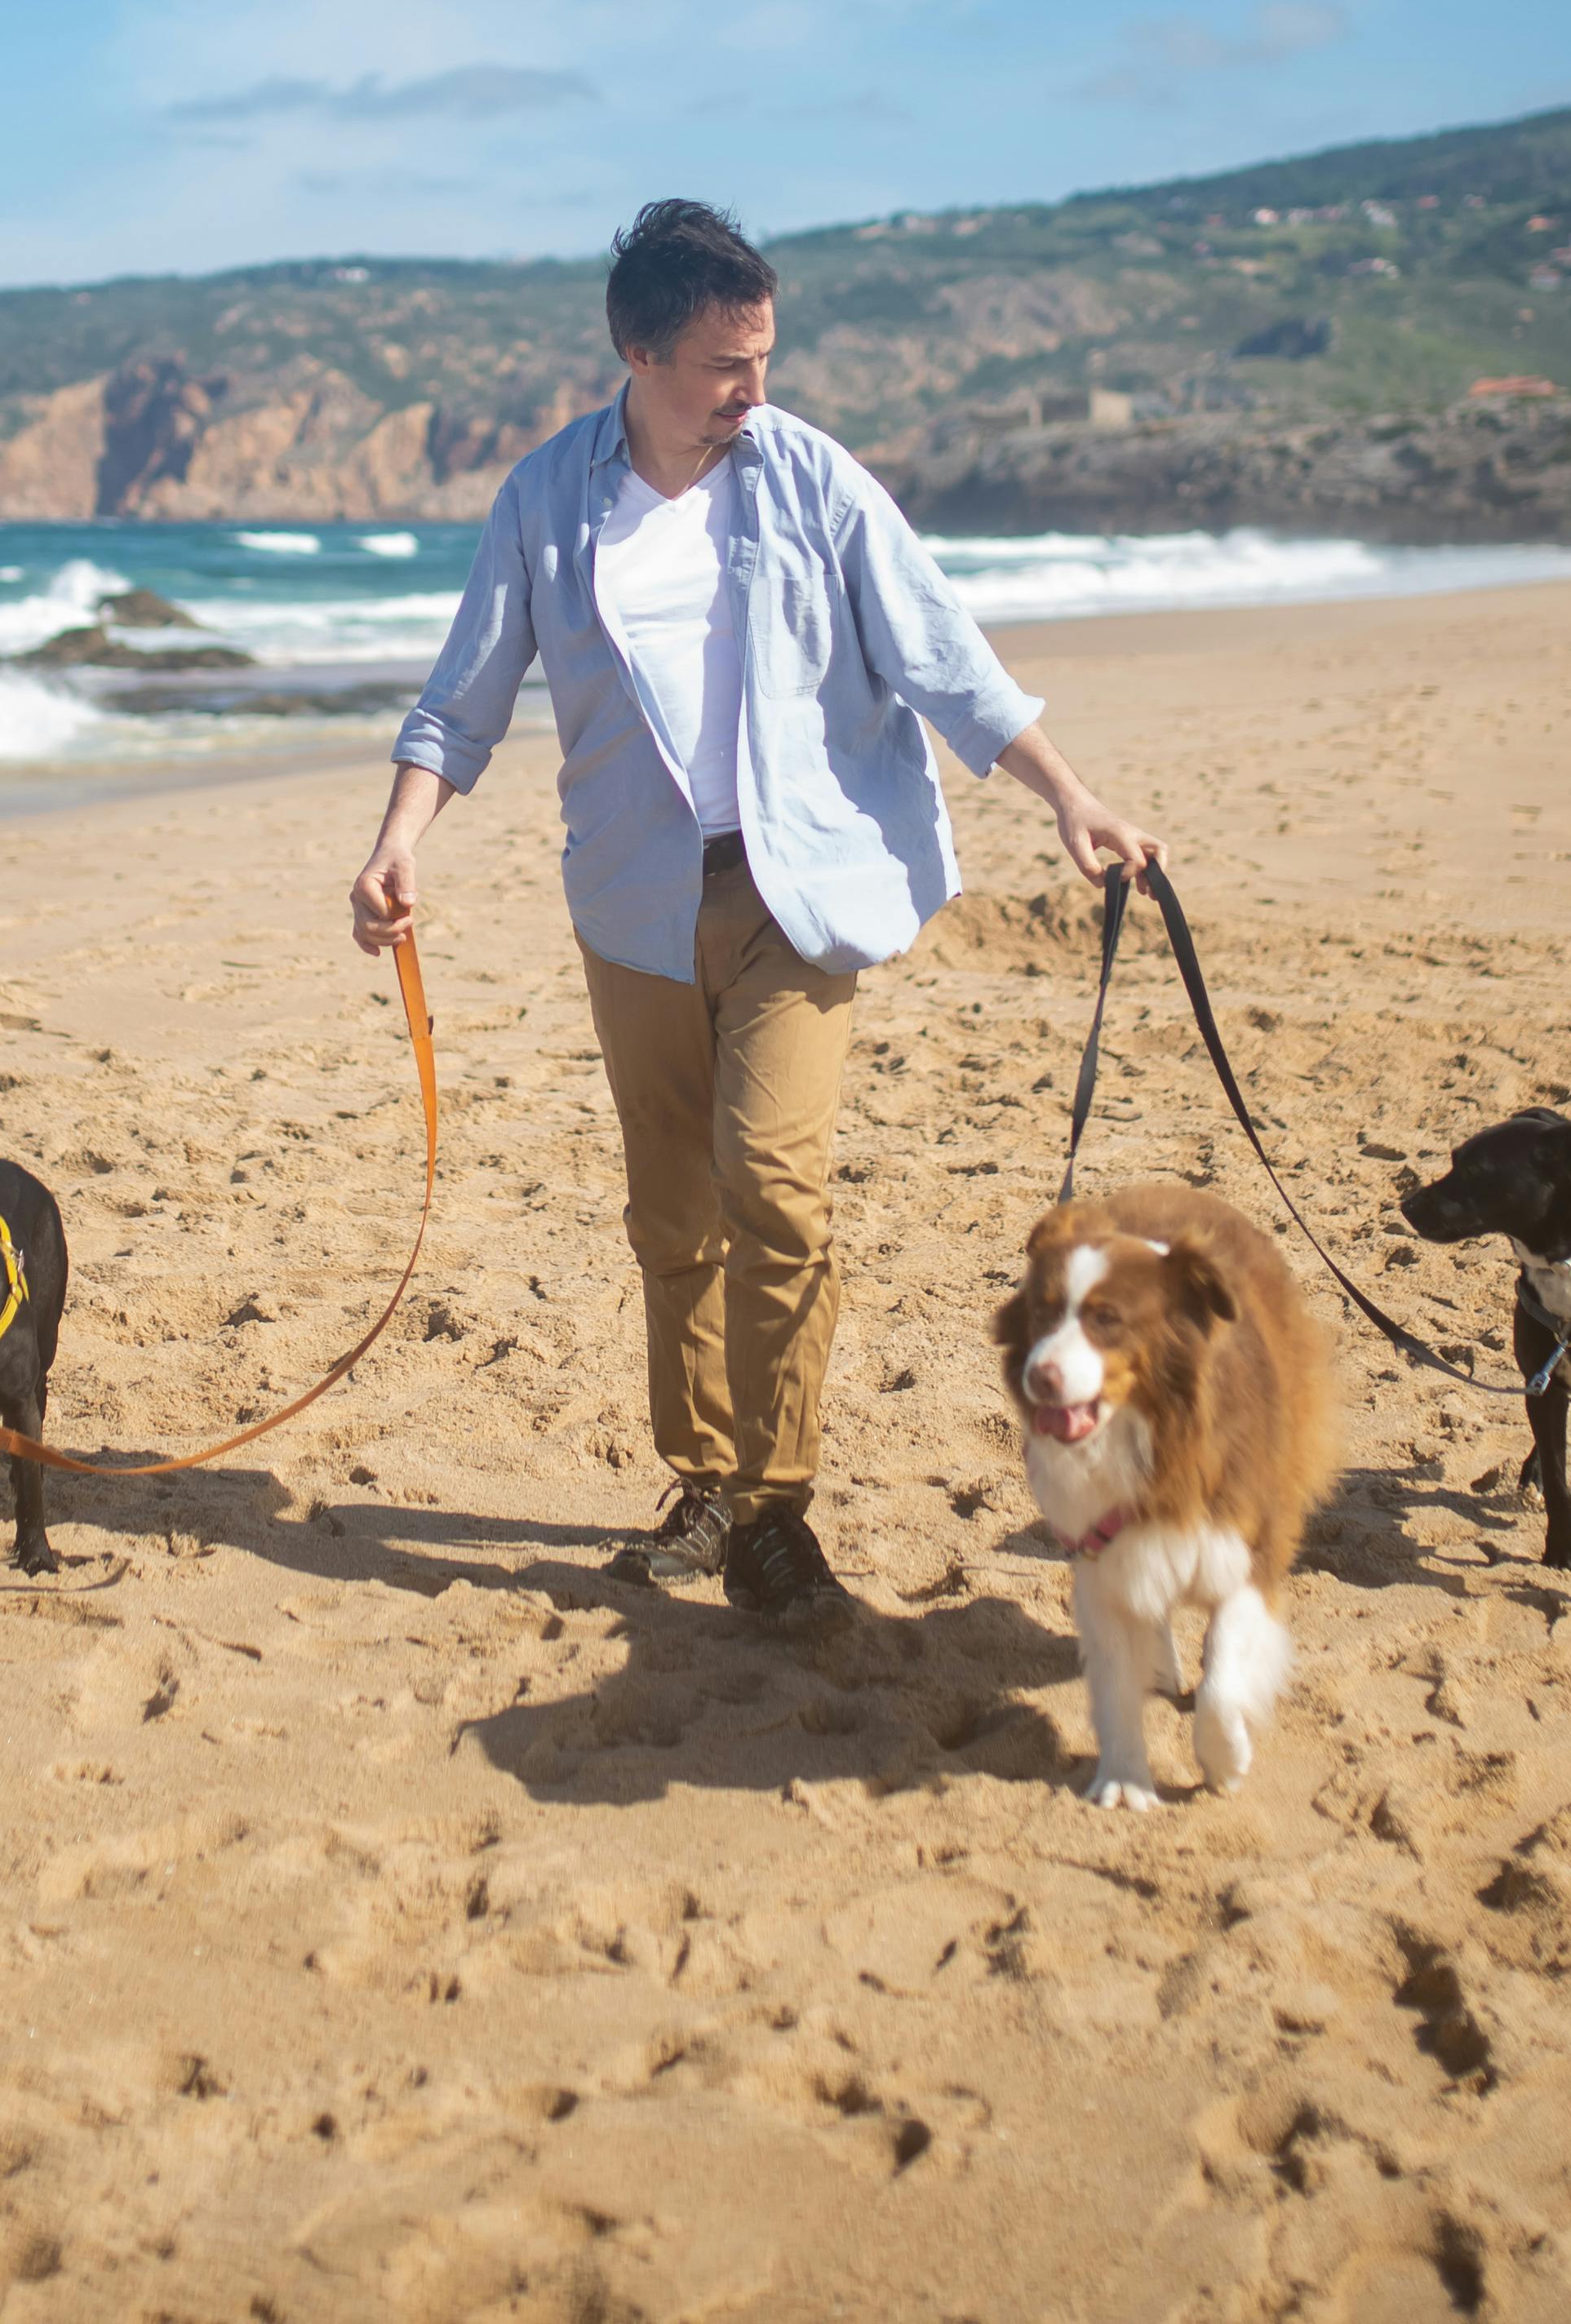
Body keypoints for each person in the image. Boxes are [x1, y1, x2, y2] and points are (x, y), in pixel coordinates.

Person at [350, 198, 1160, 1621]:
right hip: (631, 903)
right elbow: (464, 694)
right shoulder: (547, 502)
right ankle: (707, 1481)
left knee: (775, 1190)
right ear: (640, 351)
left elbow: (943, 655)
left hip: (798, 886)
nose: (754, 391)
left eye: (766, 358)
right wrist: (398, 839)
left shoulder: (808, 478)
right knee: (672, 1213)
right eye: (728, 366)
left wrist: (1069, 797)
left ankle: (778, 1509)